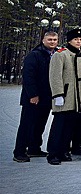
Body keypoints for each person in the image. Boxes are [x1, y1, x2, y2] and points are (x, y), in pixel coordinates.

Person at [46, 28, 81, 165]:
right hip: (65, 96)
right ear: (70, 40)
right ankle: (53, 153)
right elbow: (55, 76)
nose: (78, 42)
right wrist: (58, 94)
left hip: (77, 98)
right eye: (76, 39)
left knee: (70, 127)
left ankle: (64, 150)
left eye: (80, 39)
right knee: (59, 126)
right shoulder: (61, 55)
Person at [13, 31, 58, 163]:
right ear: (43, 40)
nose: (52, 42)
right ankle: (19, 151)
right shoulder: (35, 55)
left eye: (55, 39)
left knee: (40, 124)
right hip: (33, 97)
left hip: (47, 97)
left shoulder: (55, 55)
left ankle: (34, 147)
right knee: (27, 124)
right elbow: (28, 76)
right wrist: (33, 94)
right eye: (49, 39)